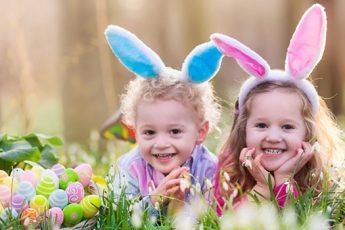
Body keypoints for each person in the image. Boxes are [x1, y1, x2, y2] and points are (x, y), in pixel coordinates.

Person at [210, 4, 344, 214]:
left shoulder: (319, 173)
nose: (273, 136)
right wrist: (263, 188)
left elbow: (303, 223)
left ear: (308, 133)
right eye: (261, 125)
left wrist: (284, 180)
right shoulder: (230, 166)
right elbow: (225, 223)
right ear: (244, 128)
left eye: (287, 127)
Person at [104, 25, 223, 215]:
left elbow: (217, 215)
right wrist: (155, 200)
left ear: (200, 132)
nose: (161, 144)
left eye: (175, 131)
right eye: (149, 132)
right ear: (134, 131)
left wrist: (185, 206)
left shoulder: (208, 167)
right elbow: (118, 216)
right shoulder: (129, 168)